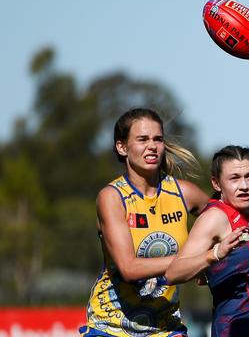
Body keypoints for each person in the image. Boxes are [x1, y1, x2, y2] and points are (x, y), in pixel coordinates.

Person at [79, 108, 210, 337]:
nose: (152, 146)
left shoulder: (184, 193)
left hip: (166, 328)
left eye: (158, 139)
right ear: (122, 147)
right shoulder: (111, 197)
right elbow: (129, 268)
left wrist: (214, 260)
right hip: (112, 329)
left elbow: (227, 224)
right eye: (142, 139)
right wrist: (197, 259)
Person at [165, 145, 249, 337]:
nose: (245, 186)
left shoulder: (245, 216)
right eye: (234, 178)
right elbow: (173, 272)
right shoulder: (215, 217)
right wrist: (214, 255)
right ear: (216, 183)